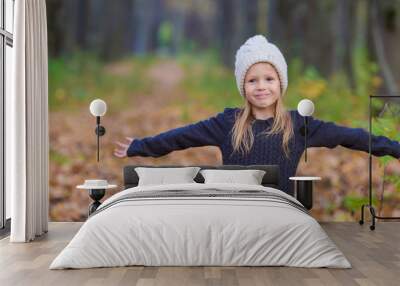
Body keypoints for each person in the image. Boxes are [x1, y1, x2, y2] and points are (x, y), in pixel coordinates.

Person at [114, 35, 400, 196]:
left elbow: (351, 137)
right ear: (243, 86)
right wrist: (140, 146)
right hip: (236, 207)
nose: (261, 87)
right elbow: (181, 137)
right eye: (252, 81)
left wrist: (395, 148)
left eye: (269, 79)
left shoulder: (298, 124)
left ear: (280, 83)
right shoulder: (227, 123)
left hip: (280, 207)